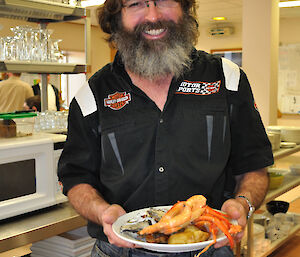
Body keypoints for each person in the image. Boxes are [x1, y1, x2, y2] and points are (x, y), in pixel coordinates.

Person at [58, 0, 274, 256]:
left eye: (164, 1)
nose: (153, 15)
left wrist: (243, 203)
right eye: (137, 4)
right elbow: (77, 179)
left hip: (209, 248)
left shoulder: (227, 80)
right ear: (117, 17)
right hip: (120, 251)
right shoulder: (92, 95)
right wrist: (103, 212)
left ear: (184, 8)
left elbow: (254, 167)